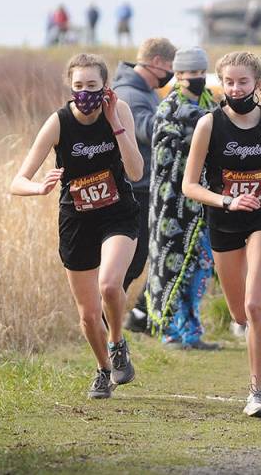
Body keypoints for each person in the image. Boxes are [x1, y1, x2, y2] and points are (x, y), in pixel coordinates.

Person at [10, 53, 144, 398]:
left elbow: (136, 172)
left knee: (110, 285)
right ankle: (103, 369)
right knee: (87, 316)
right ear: (70, 88)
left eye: (92, 86)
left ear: (105, 87)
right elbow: (17, 181)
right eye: (78, 86)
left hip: (117, 213)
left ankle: (117, 342)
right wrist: (39, 187)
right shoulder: (59, 122)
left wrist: (115, 122)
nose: (85, 93)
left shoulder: (120, 111)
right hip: (76, 219)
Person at [182, 51, 261, 417]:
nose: (235, 88)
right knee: (241, 312)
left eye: (242, 81)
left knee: (252, 302)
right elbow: (189, 185)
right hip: (224, 220)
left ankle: (256, 393)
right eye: (229, 81)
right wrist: (226, 201)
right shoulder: (209, 125)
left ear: (257, 84)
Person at [144, 46, 219, 350]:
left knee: (199, 266)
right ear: (178, 75)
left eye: (201, 72)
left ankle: (192, 332)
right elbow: (165, 159)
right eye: (191, 74)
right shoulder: (169, 108)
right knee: (171, 266)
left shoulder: (209, 102)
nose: (197, 78)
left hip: (202, 203)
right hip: (172, 204)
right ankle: (169, 331)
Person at [116, 38, 178, 334]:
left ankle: (127, 316)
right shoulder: (130, 94)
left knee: (141, 257)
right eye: (170, 67)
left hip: (145, 185)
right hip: (133, 187)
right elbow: (145, 130)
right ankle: (107, 319)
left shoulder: (147, 92)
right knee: (132, 260)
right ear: (157, 62)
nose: (171, 74)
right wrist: (180, 118)